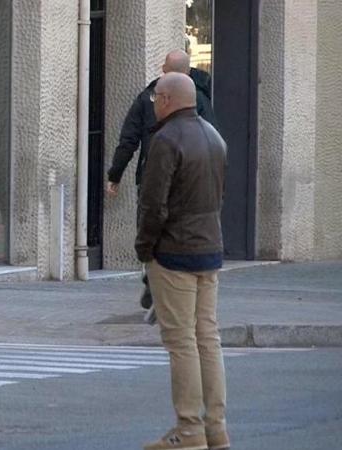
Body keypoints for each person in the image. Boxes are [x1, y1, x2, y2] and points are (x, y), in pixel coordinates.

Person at [136, 72, 228, 450]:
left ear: (169, 100)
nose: (154, 102)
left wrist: (145, 248)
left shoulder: (166, 139)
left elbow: (153, 205)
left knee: (181, 342)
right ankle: (215, 429)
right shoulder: (214, 136)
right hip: (209, 250)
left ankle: (189, 430)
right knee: (208, 339)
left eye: (157, 96)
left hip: (174, 253)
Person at [107, 50, 218, 312]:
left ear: (164, 70)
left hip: (151, 178)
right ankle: (166, 285)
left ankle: (155, 278)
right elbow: (215, 143)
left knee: (152, 225)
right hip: (192, 184)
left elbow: (128, 139)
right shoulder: (201, 100)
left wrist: (115, 175)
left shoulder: (149, 98)